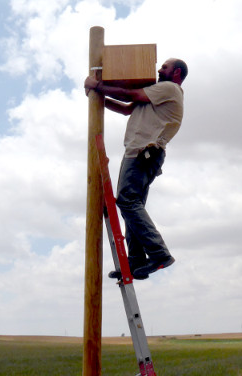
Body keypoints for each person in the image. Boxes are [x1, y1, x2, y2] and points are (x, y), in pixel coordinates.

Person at [85, 58, 188, 280]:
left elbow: (130, 95)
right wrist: (97, 97)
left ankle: (159, 253)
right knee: (131, 204)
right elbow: (125, 109)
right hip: (140, 152)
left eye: (165, 67)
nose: (160, 70)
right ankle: (136, 260)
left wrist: (98, 86)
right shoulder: (155, 94)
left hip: (144, 152)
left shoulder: (169, 88)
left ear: (177, 73)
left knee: (127, 201)